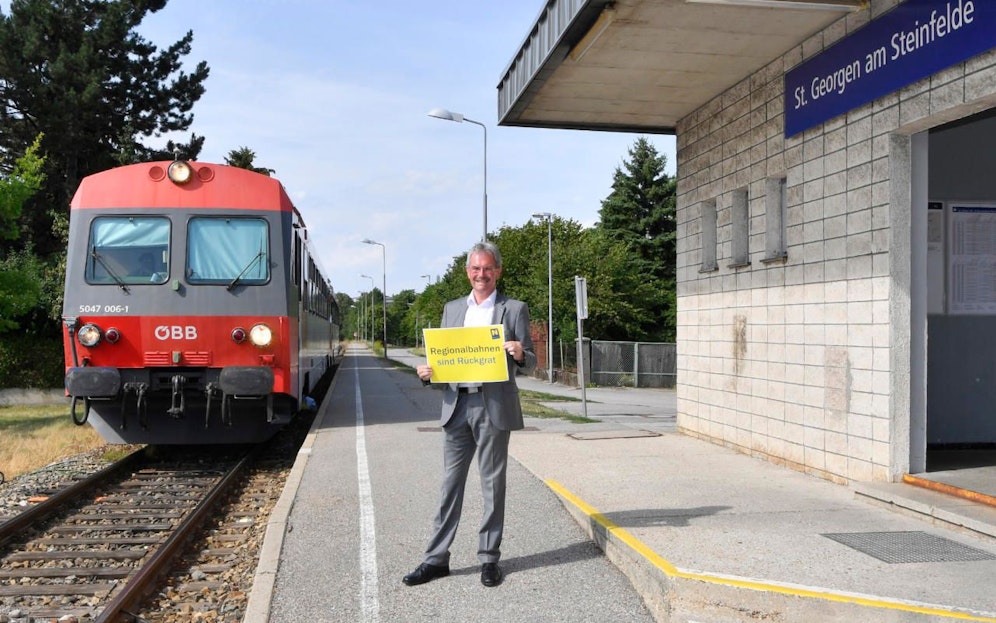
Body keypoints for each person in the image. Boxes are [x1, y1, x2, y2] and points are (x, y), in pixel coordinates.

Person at [404, 241, 536, 588]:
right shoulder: (452, 309)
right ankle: (436, 559)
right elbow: (446, 359)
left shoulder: (514, 309)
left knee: (492, 485)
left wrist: (521, 353)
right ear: (467, 272)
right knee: (450, 485)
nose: (482, 274)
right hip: (456, 404)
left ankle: (489, 559)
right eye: (476, 269)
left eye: (488, 268)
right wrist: (431, 373)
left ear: (498, 271)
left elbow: (533, 360)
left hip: (492, 405)